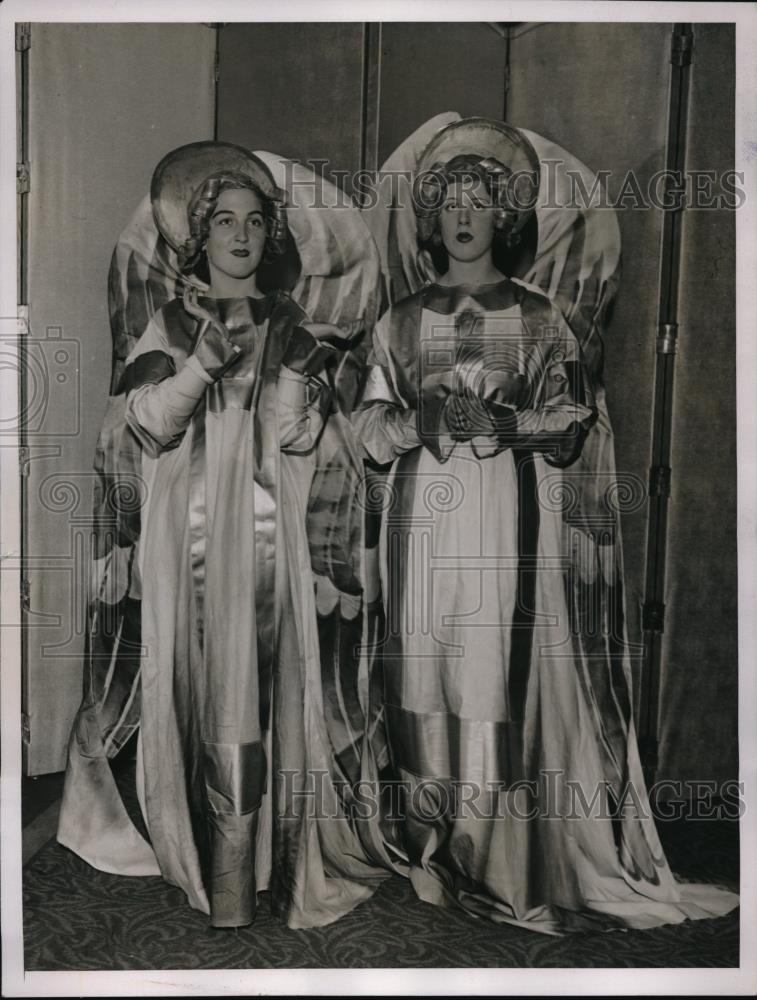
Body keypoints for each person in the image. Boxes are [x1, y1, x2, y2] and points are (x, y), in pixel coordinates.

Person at [353, 117, 739, 933]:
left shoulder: (539, 318)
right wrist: (411, 419)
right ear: (429, 216)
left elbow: (570, 423)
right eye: (449, 200)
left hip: (503, 522)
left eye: (481, 201)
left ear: (506, 218)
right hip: (420, 522)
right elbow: (365, 427)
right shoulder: (396, 322)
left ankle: (499, 865)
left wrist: (508, 428)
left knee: (490, 677)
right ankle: (434, 851)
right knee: (421, 675)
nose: (463, 214)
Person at [58, 142, 385, 929]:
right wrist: (200, 365)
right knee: (205, 688)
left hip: (272, 530)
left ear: (270, 235)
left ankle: (264, 865)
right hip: (190, 528)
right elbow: (143, 423)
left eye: (253, 222)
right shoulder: (170, 319)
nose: (239, 236)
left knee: (267, 688)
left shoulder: (294, 325)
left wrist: (302, 394)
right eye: (222, 222)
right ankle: (217, 872)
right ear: (197, 237)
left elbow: (304, 441)